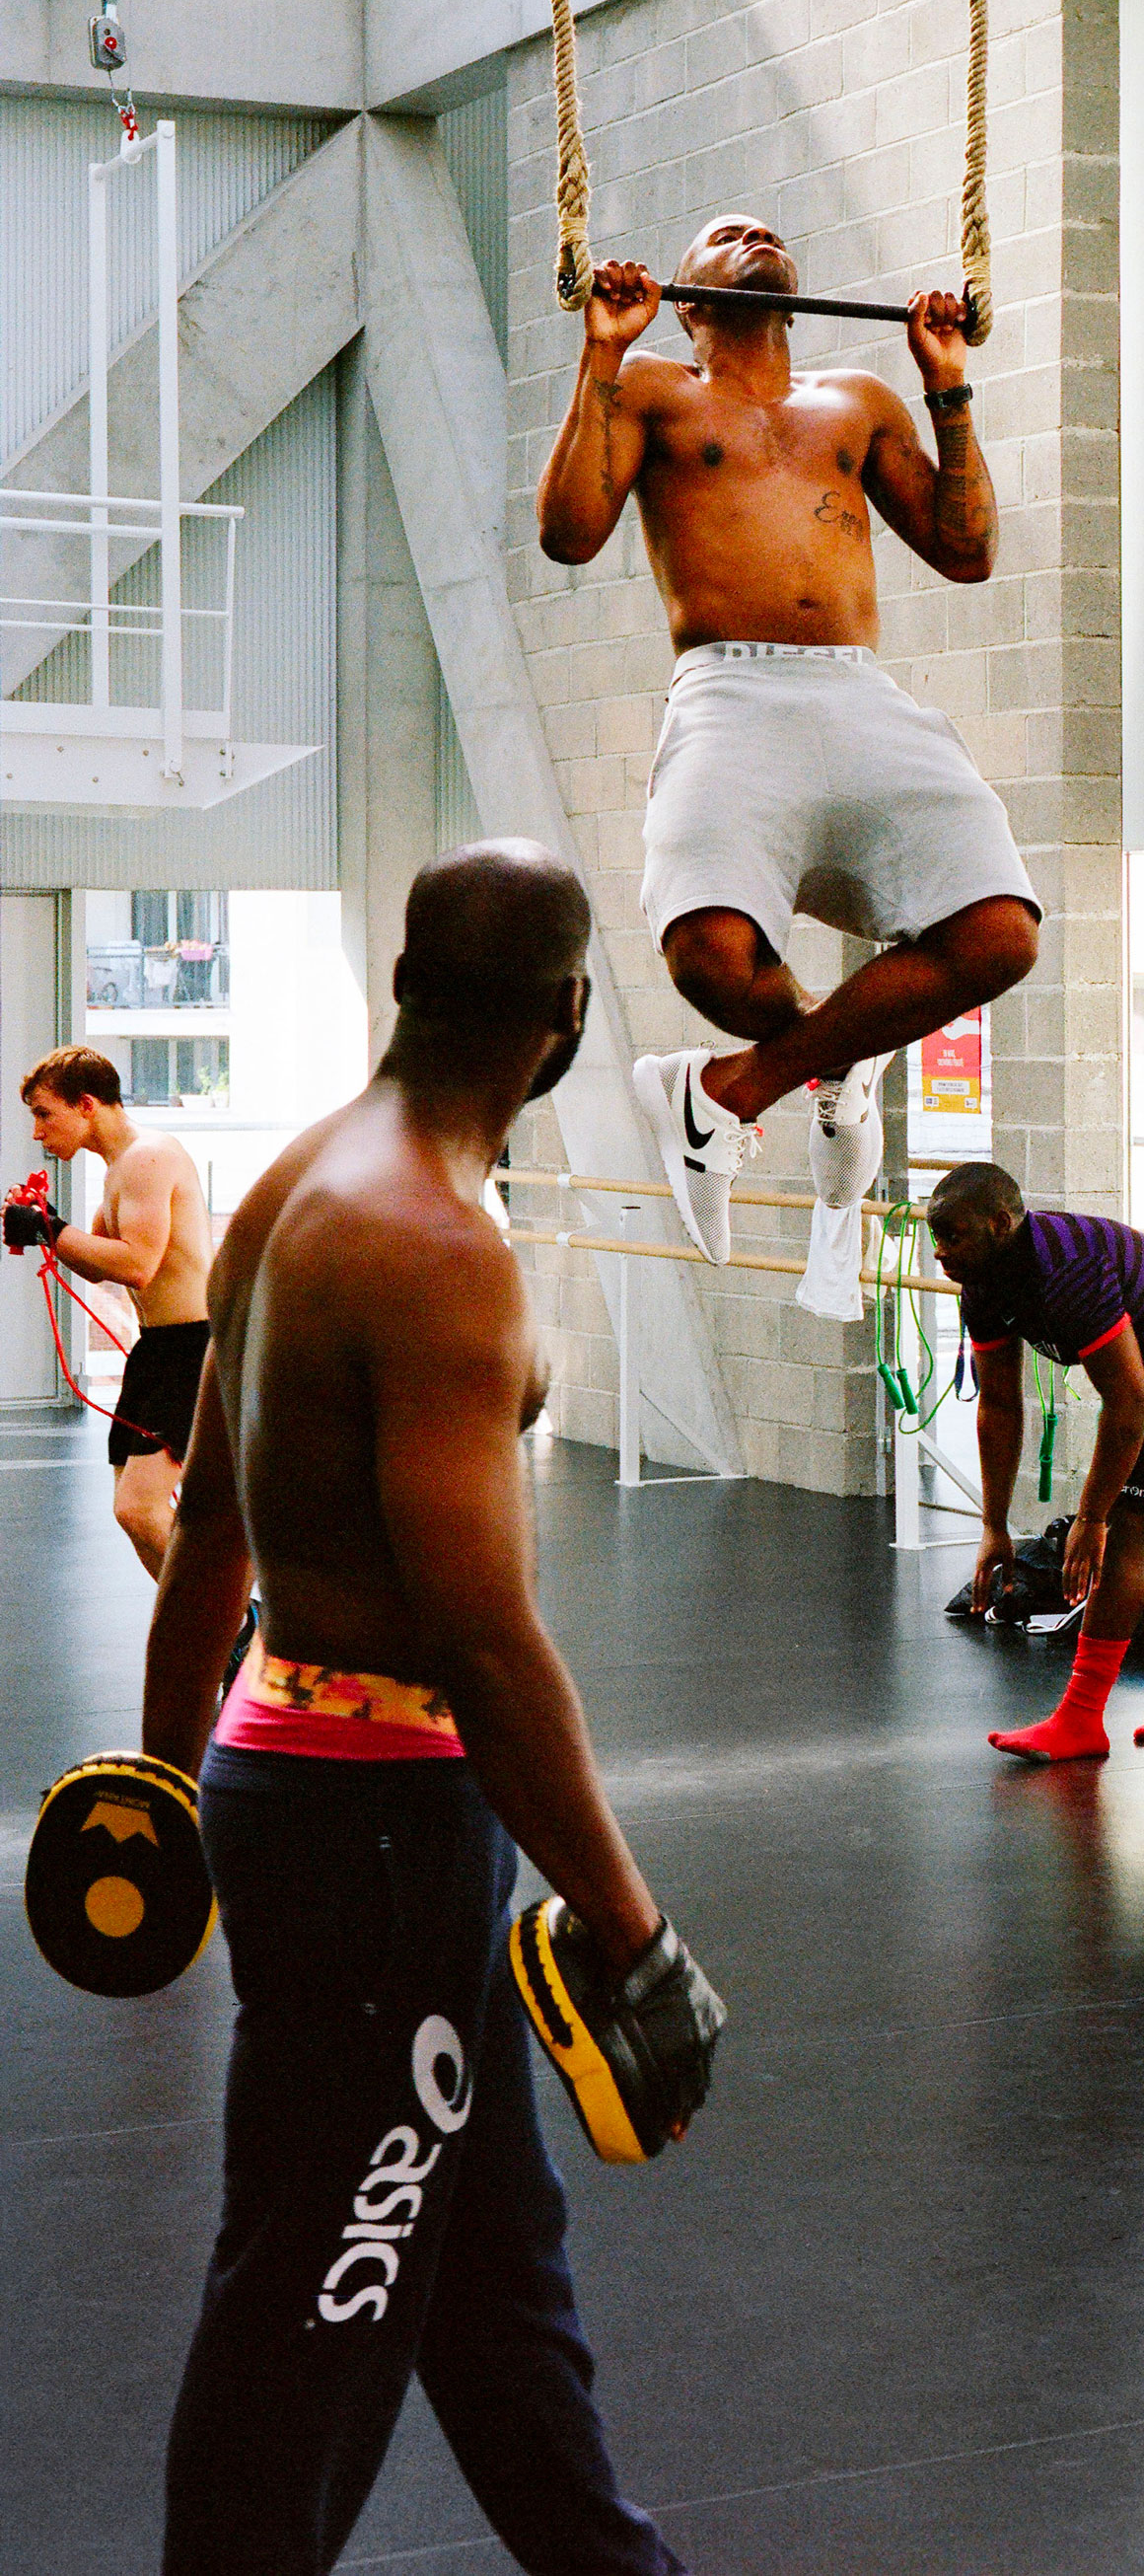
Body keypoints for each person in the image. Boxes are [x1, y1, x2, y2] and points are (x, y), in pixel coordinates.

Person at [140, 842, 717, 2576]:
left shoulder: (293, 1182)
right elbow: (485, 1639)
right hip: (382, 1832)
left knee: (491, 2286)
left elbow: (210, 1527)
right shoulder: (438, 1245)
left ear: (403, 981)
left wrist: (168, 1795)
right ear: (566, 1017)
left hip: (307, 1783)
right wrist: (634, 1930)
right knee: (317, 2298)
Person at [536, 220, 1040, 1265]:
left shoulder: (858, 401)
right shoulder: (654, 391)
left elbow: (968, 552)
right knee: (709, 960)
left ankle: (730, 1089)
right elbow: (568, 534)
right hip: (731, 693)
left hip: (857, 694)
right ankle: (834, 1051)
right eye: (725, 235)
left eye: (765, 229)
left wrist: (946, 384)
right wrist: (602, 352)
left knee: (1001, 934)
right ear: (687, 302)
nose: (755, 233)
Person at [926, 1164, 1144, 1764]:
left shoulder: (1068, 1271)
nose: (940, 1252)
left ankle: (1082, 1719)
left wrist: (1091, 1519)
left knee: (1128, 1534)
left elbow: (1129, 1400)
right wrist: (993, 1525)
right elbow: (1000, 1404)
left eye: (953, 1236)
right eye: (937, 1237)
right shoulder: (982, 1286)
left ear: (1001, 1223)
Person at [17, 1042, 211, 1579]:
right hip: (159, 1349)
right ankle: (210, 1620)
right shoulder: (118, 1168)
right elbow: (97, 1265)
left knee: (139, 1508)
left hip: (194, 1346)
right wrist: (45, 1224)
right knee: (132, 1510)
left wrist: (51, 1229)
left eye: (44, 1114)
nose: (37, 1132)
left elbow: (138, 1265)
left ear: (85, 1104)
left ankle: (236, 1620)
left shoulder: (149, 1156)